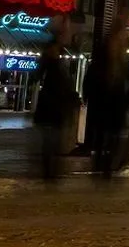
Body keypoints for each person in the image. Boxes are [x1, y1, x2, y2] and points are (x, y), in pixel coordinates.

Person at [84, 9, 129, 178]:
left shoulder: (118, 59)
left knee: (111, 138)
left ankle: (105, 168)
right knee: (106, 137)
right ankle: (102, 168)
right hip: (106, 104)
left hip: (112, 105)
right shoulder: (108, 57)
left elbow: (127, 81)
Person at [33, 20, 78, 181]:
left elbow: (38, 75)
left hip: (52, 106)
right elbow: (59, 83)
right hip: (53, 106)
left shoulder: (54, 57)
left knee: (52, 140)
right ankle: (50, 172)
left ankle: (50, 171)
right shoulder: (54, 59)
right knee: (52, 140)